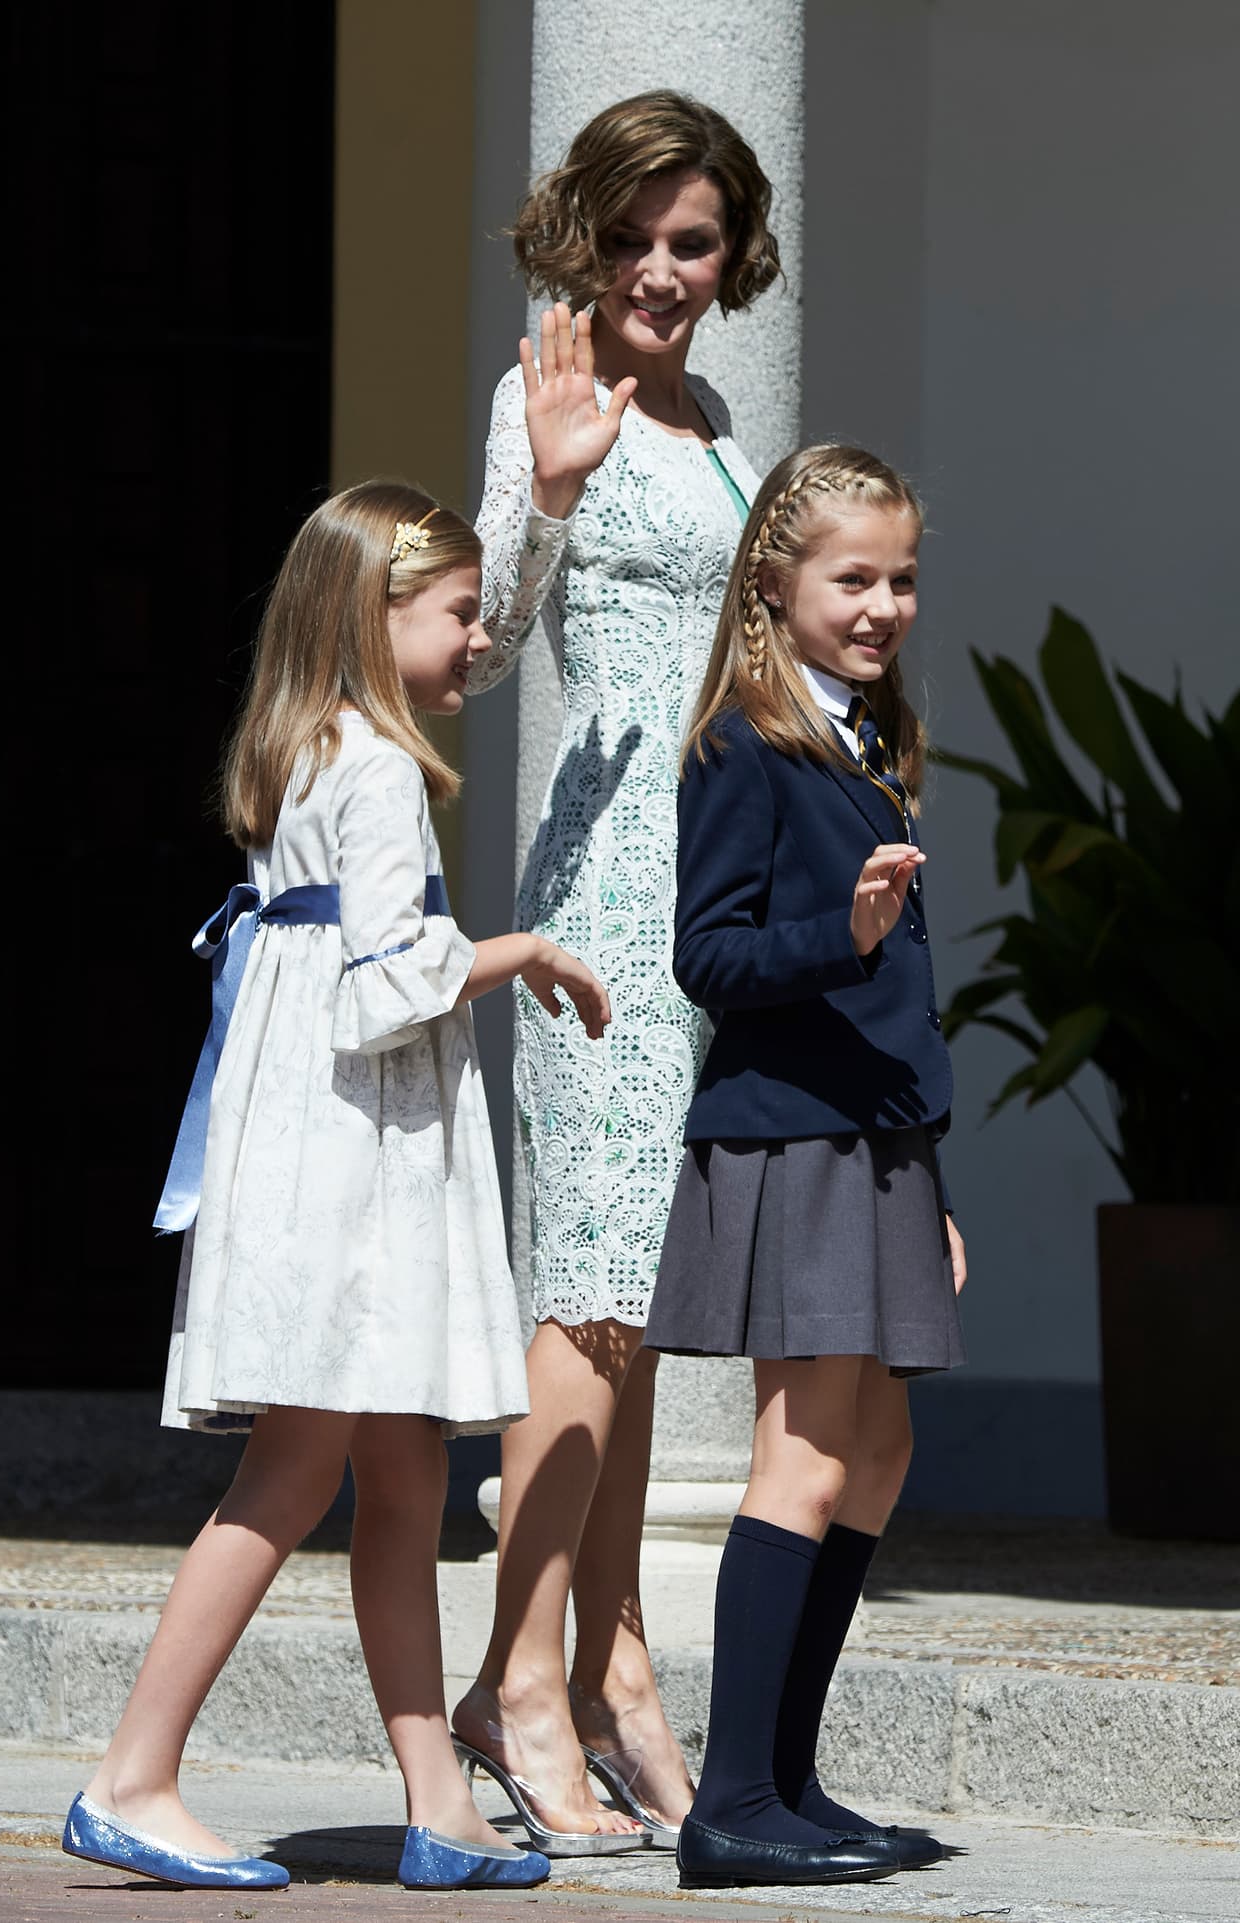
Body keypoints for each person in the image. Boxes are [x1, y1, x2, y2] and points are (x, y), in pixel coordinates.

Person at [61, 482, 610, 1896]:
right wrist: (519, 951)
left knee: (405, 1470)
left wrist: (537, 516)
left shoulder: (311, 745)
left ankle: (439, 1799)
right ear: (377, 618)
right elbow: (388, 985)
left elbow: (328, 968)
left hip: (320, 1144)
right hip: (351, 1167)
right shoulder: (373, 767)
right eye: (455, 613)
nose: (477, 640)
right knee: (300, 1464)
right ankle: (134, 1772)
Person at [451, 92, 781, 1853]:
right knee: (581, 1294)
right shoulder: (540, 398)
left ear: (733, 260)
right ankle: (515, 1679)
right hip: (599, 902)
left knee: (638, 1311)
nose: (664, 270)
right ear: (589, 238)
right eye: (639, 237)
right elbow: (487, 653)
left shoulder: (724, 419)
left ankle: (618, 1659)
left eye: (697, 241)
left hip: (712, 894)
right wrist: (555, 499)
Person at [644, 444, 968, 1890]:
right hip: (793, 1135)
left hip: (879, 1144)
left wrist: (935, 1186)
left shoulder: (873, 745)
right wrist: (830, 936)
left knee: (881, 1450)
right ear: (777, 586)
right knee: (810, 1448)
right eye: (855, 578)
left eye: (902, 578)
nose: (884, 603)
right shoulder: (744, 744)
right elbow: (704, 955)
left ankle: (786, 1777)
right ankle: (729, 1805)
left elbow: (906, 996)